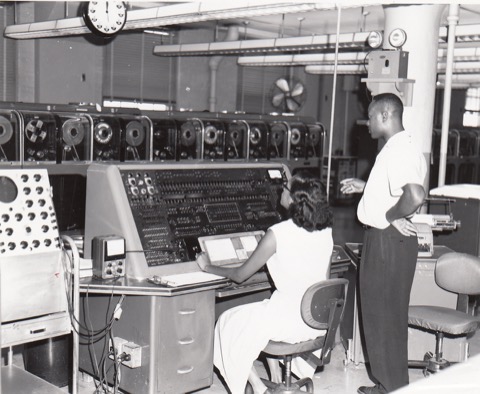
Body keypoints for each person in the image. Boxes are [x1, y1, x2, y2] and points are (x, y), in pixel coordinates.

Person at [196, 172, 334, 394]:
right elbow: (323, 281)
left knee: (226, 322)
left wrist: (207, 266)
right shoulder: (326, 231)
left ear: (293, 199)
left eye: (285, 187)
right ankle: (277, 378)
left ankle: (260, 389)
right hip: (316, 320)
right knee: (262, 311)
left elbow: (240, 275)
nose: (282, 190)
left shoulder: (276, 234)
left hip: (288, 321)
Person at [340, 93, 427, 394]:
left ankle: (392, 387)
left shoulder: (398, 150)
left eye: (371, 116)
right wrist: (367, 188)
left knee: (383, 317)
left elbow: (414, 195)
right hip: (389, 240)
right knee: (383, 316)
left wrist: (389, 216)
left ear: (386, 115)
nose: (366, 123)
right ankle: (388, 384)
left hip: (386, 241)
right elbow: (398, 188)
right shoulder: (401, 146)